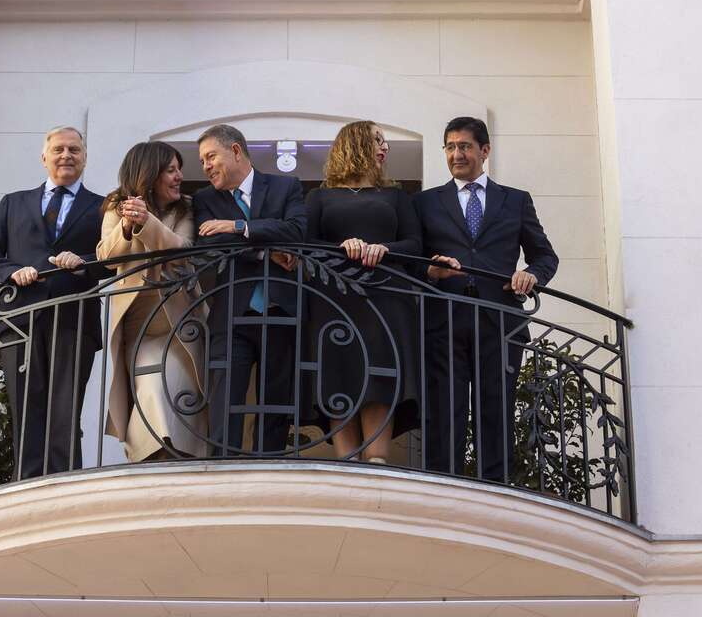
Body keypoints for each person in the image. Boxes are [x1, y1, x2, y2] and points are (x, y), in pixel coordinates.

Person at [414, 116, 558, 482]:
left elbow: (545, 256)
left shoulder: (515, 200)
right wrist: (429, 271)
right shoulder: (425, 203)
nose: (456, 154)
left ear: (485, 150)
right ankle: (443, 487)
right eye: (450, 146)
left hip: (500, 319)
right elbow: (413, 261)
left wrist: (532, 275)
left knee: (496, 409)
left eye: (464, 146)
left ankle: (495, 490)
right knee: (445, 409)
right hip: (443, 320)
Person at [0, 126, 106, 477]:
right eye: (59, 149)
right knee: (26, 405)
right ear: (44, 157)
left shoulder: (102, 207)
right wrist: (13, 271)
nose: (67, 156)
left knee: (65, 407)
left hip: (74, 319)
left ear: (85, 159)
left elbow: (111, 261)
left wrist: (83, 264)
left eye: (74, 150)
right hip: (22, 319)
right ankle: (27, 483)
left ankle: (64, 481)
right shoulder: (13, 203)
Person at [305, 121, 421, 464]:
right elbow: (305, 243)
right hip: (333, 297)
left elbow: (415, 245)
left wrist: (382, 248)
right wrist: (342, 246)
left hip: (384, 295)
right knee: (339, 371)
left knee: (380, 370)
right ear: (354, 144)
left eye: (385, 141)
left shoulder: (396, 196)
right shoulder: (319, 196)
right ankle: (346, 460)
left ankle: (377, 458)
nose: (384, 147)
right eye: (377, 140)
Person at [193, 124, 307, 456]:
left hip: (281, 311)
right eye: (202, 161)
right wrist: (267, 250)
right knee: (225, 399)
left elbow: (297, 230)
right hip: (231, 314)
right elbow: (211, 245)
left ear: (236, 151)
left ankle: (269, 468)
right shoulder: (205, 198)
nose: (206, 166)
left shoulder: (286, 186)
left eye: (210, 156)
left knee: (276, 401)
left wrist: (239, 226)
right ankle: (221, 471)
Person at [97, 141, 208, 461]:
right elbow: (106, 256)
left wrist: (147, 223)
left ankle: (180, 460)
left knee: (179, 390)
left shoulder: (186, 207)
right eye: (171, 170)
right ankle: (151, 462)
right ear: (151, 173)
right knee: (150, 389)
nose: (179, 177)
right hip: (138, 325)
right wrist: (128, 226)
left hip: (179, 324)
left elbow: (183, 247)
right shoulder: (116, 206)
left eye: (179, 170)